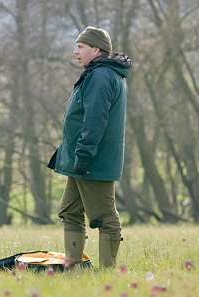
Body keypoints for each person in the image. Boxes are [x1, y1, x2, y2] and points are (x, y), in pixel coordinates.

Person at [48, 26, 132, 267]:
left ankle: (107, 274)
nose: (75, 51)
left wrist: (83, 154)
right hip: (82, 157)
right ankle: (73, 267)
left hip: (92, 158)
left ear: (96, 49)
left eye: (81, 47)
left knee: (105, 217)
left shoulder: (102, 76)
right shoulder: (99, 73)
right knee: (70, 211)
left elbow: (95, 118)